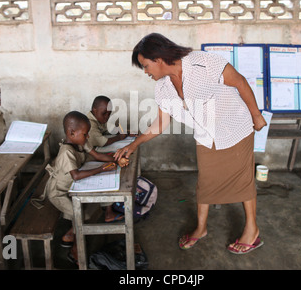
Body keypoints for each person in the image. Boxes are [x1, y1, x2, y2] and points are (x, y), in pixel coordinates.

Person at [114, 33, 267, 255]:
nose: (146, 72)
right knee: (205, 182)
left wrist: (257, 116)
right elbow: (160, 123)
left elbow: (240, 82)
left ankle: (252, 231)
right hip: (207, 135)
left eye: (145, 66)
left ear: (158, 59)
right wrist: (134, 144)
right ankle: (201, 228)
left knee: (243, 180)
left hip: (235, 128)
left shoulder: (204, 63)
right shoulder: (163, 88)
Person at [35, 111, 126, 265]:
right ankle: (76, 251)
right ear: (71, 133)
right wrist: (101, 170)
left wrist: (117, 160)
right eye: (85, 134)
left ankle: (70, 234)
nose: (88, 137)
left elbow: (97, 156)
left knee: (85, 210)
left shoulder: (80, 141)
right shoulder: (67, 152)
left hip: (72, 187)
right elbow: (76, 175)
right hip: (59, 193)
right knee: (80, 216)